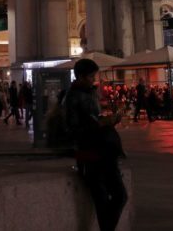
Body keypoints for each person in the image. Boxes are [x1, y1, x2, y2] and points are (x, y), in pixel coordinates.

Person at [65, 58, 127, 231]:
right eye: (91, 76)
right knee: (101, 198)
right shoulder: (72, 97)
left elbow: (94, 117)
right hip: (90, 154)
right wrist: (98, 124)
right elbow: (72, 128)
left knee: (120, 196)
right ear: (81, 76)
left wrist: (108, 120)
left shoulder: (91, 93)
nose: (94, 79)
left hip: (105, 150)